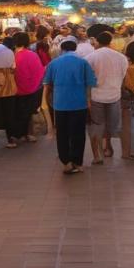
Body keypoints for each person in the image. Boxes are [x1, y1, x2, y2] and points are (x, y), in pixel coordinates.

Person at [43, 39, 97, 174]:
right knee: (78, 134)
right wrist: (89, 101)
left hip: (60, 104)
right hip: (79, 103)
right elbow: (90, 84)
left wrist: (45, 101)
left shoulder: (53, 63)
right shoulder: (83, 62)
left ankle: (66, 162)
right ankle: (77, 163)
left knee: (62, 134)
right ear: (75, 49)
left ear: (62, 49)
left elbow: (47, 84)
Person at [85, 31, 130, 163]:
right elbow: (123, 77)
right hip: (114, 96)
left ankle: (97, 155)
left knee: (97, 125)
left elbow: (87, 79)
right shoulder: (121, 57)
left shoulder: (90, 57)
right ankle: (107, 145)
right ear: (111, 41)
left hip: (96, 96)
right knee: (111, 124)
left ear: (97, 42)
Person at [12, 32, 44, 143]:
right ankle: (27, 134)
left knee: (18, 113)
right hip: (32, 89)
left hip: (15, 90)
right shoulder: (32, 55)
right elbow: (39, 72)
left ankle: (17, 135)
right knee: (28, 113)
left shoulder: (13, 55)